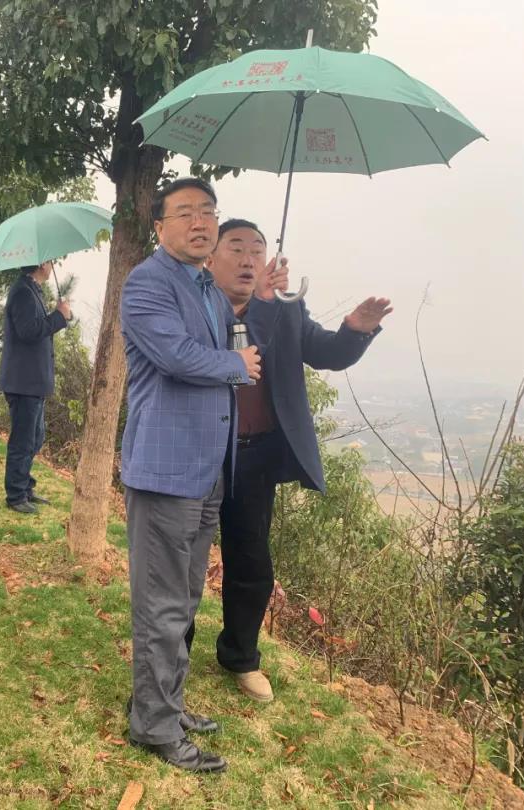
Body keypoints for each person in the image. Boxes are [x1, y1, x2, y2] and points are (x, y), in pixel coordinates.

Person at [119, 177, 283, 773]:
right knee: (161, 607)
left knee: (185, 601)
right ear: (159, 226)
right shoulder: (147, 283)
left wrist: (264, 297)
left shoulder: (208, 288)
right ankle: (155, 728)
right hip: (166, 470)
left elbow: (234, 335)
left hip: (208, 471)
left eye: (208, 211)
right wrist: (235, 364)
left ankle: (165, 702)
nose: (200, 222)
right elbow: (175, 356)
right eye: (185, 212)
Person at [207, 218, 391, 702]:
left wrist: (355, 330)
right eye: (236, 248)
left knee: (251, 562)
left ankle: (240, 657)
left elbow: (325, 352)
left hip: (255, 456)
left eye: (257, 250)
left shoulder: (286, 308)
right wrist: (264, 304)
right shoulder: (196, 302)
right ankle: (171, 653)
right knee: (184, 559)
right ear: (210, 258)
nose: (248, 259)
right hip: (200, 452)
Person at [0, 260, 72, 513]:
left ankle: (25, 486)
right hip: (23, 382)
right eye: (50, 261)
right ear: (41, 264)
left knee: (35, 437)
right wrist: (59, 316)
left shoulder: (32, 290)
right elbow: (28, 332)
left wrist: (58, 315)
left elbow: (36, 328)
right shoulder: (22, 292)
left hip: (33, 382)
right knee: (23, 440)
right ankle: (15, 495)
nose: (52, 265)